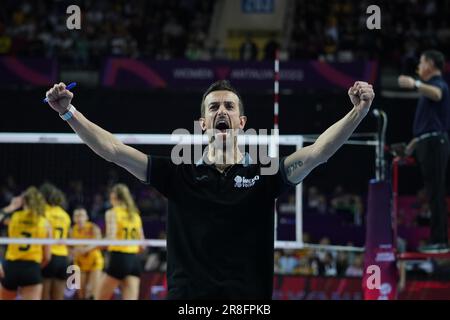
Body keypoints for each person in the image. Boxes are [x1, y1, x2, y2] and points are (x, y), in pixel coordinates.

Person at [44, 79, 374, 299]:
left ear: (242, 122)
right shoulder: (176, 172)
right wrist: (69, 113)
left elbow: (318, 152)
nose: (221, 112)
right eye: (213, 107)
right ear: (203, 123)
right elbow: (114, 150)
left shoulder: (266, 171)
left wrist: (358, 112)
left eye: (229, 107)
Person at [398, 50, 450, 253]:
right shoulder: (428, 90)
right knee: (431, 193)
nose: (418, 67)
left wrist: (414, 84)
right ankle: (438, 240)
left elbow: (438, 95)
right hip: (426, 143)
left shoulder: (438, 84)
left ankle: (440, 241)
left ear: (430, 64)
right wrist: (411, 146)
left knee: (436, 193)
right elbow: (426, 127)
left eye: (421, 62)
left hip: (436, 144)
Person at [0, 187, 52, 300]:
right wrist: (35, 268)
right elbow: (47, 257)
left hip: (11, 267)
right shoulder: (45, 223)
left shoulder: (14, 217)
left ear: (23, 202)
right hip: (31, 267)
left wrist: (11, 207)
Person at [97, 184, 144, 300]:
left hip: (118, 258)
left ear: (113, 196)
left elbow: (110, 238)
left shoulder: (112, 213)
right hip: (134, 261)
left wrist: (88, 247)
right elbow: (142, 245)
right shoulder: (135, 215)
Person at [39, 183, 72, 299]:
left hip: (48, 256)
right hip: (63, 259)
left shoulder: (43, 213)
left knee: (44, 297)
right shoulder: (65, 215)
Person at [70, 207, 104, 300]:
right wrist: (72, 252)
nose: (79, 218)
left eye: (82, 216)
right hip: (79, 262)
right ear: (73, 218)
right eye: (77, 216)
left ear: (87, 217)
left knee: (92, 293)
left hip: (94, 261)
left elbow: (100, 243)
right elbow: (69, 248)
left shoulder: (94, 228)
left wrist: (85, 249)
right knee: (81, 294)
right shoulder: (72, 230)